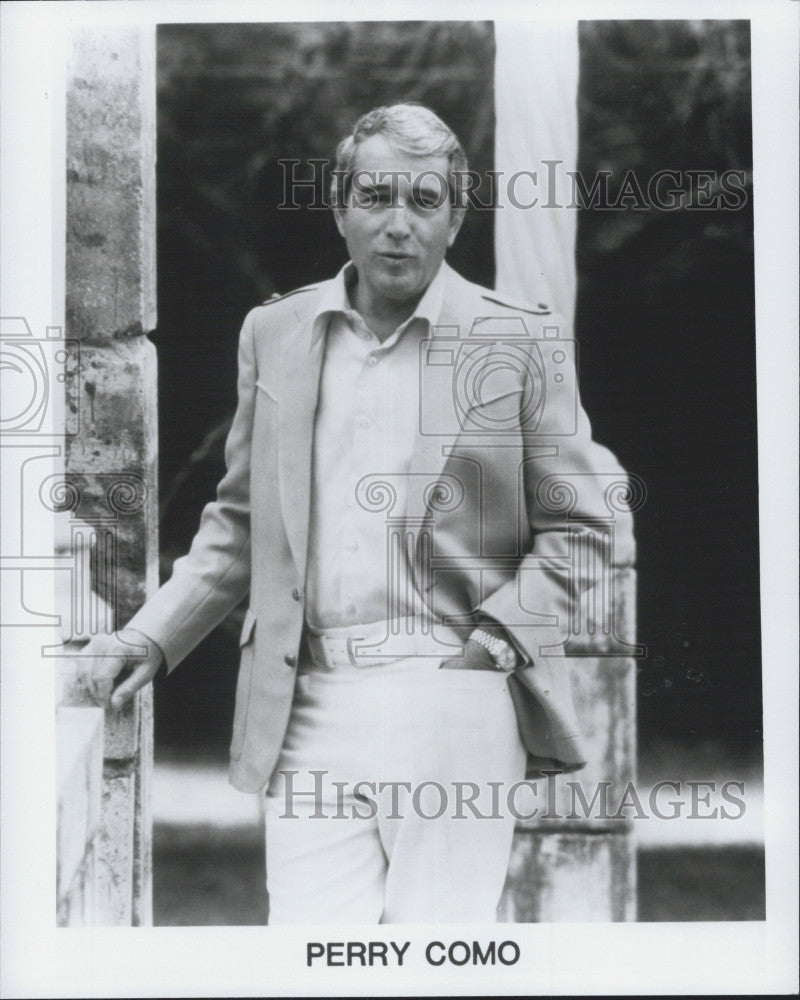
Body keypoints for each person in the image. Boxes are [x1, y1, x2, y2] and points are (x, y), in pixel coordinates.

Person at [80, 103, 635, 924]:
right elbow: (238, 522)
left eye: (423, 201)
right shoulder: (275, 333)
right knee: (307, 958)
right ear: (340, 206)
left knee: (438, 963)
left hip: (456, 698)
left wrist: (492, 645)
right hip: (306, 700)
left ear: (456, 217)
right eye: (376, 197)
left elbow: (580, 528)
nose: (398, 225)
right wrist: (152, 634)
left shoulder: (518, 342)